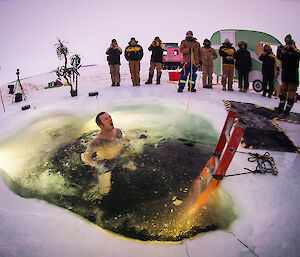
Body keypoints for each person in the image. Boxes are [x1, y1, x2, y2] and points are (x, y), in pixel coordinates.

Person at [81, 112, 136, 195]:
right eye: (106, 119)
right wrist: (95, 165)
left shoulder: (118, 131)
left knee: (135, 170)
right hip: (105, 164)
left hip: (119, 158)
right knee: (105, 191)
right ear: (100, 125)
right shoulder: (97, 142)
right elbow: (85, 156)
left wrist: (134, 138)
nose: (110, 119)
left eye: (109, 117)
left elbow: (122, 139)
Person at [275, 34, 300, 116]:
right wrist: (279, 50)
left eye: (289, 43)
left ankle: (287, 111)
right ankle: (281, 107)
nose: (287, 45)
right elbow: (279, 57)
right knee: (282, 92)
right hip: (285, 76)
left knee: (291, 94)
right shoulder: (285, 51)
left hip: (293, 77)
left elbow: (297, 56)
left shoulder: (296, 51)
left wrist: (291, 50)